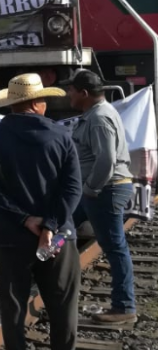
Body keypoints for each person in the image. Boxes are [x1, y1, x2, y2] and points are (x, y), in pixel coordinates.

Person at [0, 73, 82, 350]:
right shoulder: (61, 135)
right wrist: (51, 224)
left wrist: (26, 220)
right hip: (59, 238)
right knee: (63, 304)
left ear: (12, 103)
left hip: (12, 236)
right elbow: (72, 187)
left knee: (14, 306)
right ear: (38, 102)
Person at [64, 69, 137, 324]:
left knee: (115, 247)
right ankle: (47, 266)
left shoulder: (99, 118)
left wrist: (90, 190)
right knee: (64, 226)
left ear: (84, 93)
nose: (68, 93)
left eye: (71, 89)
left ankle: (124, 306)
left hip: (105, 189)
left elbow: (106, 159)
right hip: (98, 189)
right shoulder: (95, 114)